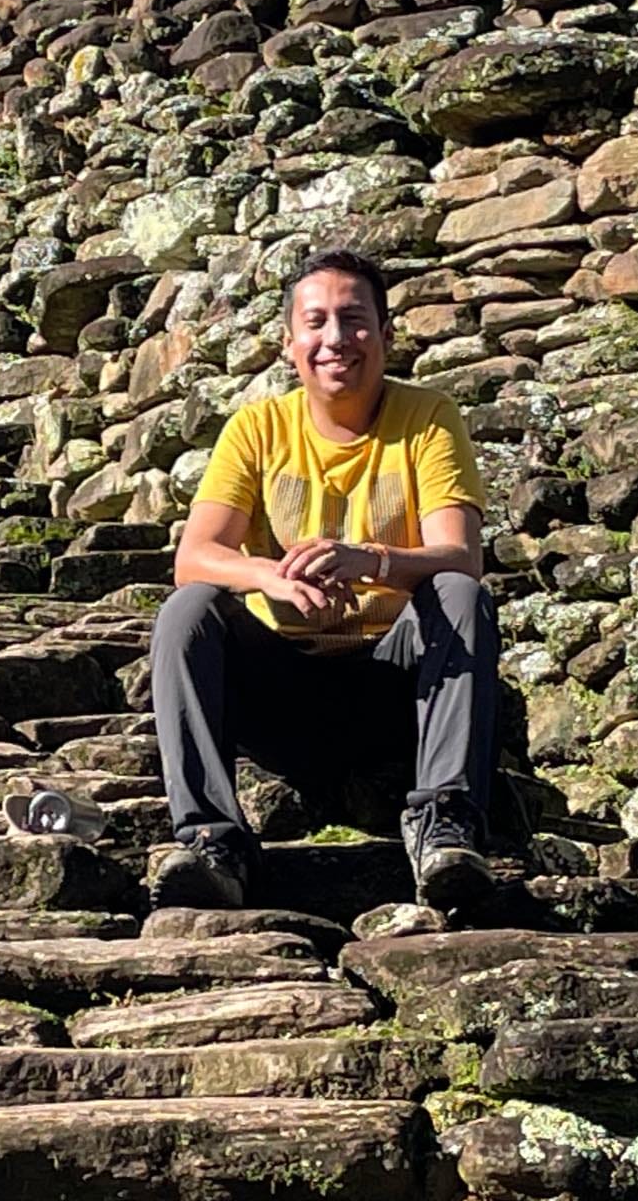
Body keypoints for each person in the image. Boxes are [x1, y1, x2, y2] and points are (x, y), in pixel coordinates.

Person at [148, 247, 499, 913]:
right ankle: (212, 842)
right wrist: (269, 576)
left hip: (397, 686)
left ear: (386, 334)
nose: (336, 338)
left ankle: (445, 824)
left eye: (354, 320)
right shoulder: (258, 429)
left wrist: (374, 561)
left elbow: (460, 555)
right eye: (316, 322)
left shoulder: (428, 419)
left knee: (458, 594)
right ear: (290, 345)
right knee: (187, 611)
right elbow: (193, 557)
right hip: (284, 687)